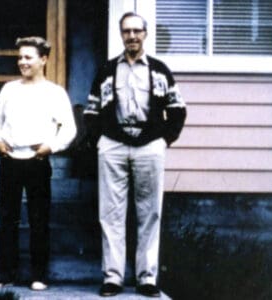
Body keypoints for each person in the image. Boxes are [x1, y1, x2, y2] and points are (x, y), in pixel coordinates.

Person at [84, 12, 186, 297]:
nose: (132, 36)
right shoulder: (107, 70)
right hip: (113, 146)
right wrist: (100, 140)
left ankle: (147, 278)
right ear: (121, 34)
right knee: (111, 213)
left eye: (136, 31)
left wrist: (164, 139)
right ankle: (113, 278)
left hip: (150, 144)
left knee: (149, 211)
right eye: (126, 31)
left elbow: (178, 109)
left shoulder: (159, 70)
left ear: (145, 34)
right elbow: (91, 111)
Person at [0, 36, 77, 291]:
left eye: (28, 57)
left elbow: (69, 128)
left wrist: (51, 147)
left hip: (38, 161)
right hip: (10, 161)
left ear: (43, 59)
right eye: (20, 57)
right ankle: (5, 273)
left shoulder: (55, 93)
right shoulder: (9, 89)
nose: (22, 62)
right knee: (7, 219)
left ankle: (39, 274)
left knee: (39, 219)